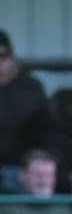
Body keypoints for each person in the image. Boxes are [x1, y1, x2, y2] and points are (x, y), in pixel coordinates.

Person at [0, 31, 52, 181]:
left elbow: (44, 127)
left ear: (11, 57)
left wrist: (36, 156)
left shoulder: (31, 88)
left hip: (25, 166)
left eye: (2, 57)